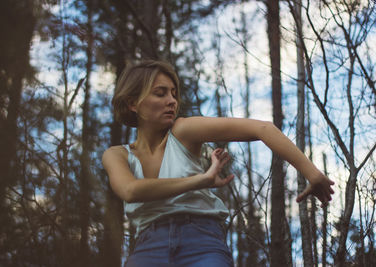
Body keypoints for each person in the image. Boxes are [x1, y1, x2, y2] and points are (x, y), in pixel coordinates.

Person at [102, 60, 334, 267]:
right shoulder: (117, 155)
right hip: (147, 247)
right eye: (160, 93)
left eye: (173, 93)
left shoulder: (183, 130)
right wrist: (202, 180)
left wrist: (312, 174)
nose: (172, 101)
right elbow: (130, 191)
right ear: (133, 104)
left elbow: (262, 128)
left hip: (202, 241)